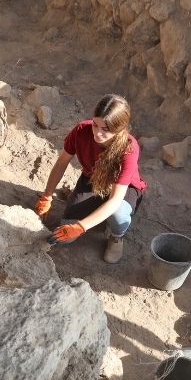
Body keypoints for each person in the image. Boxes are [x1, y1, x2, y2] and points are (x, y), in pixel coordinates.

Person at [33, 94, 147, 264]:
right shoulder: (81, 131)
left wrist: (81, 227)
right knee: (66, 237)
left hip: (123, 189)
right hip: (92, 180)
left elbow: (115, 200)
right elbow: (62, 163)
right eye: (95, 124)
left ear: (120, 129)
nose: (97, 133)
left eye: (106, 129)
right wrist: (47, 195)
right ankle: (93, 213)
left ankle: (117, 237)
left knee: (118, 214)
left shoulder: (128, 148)